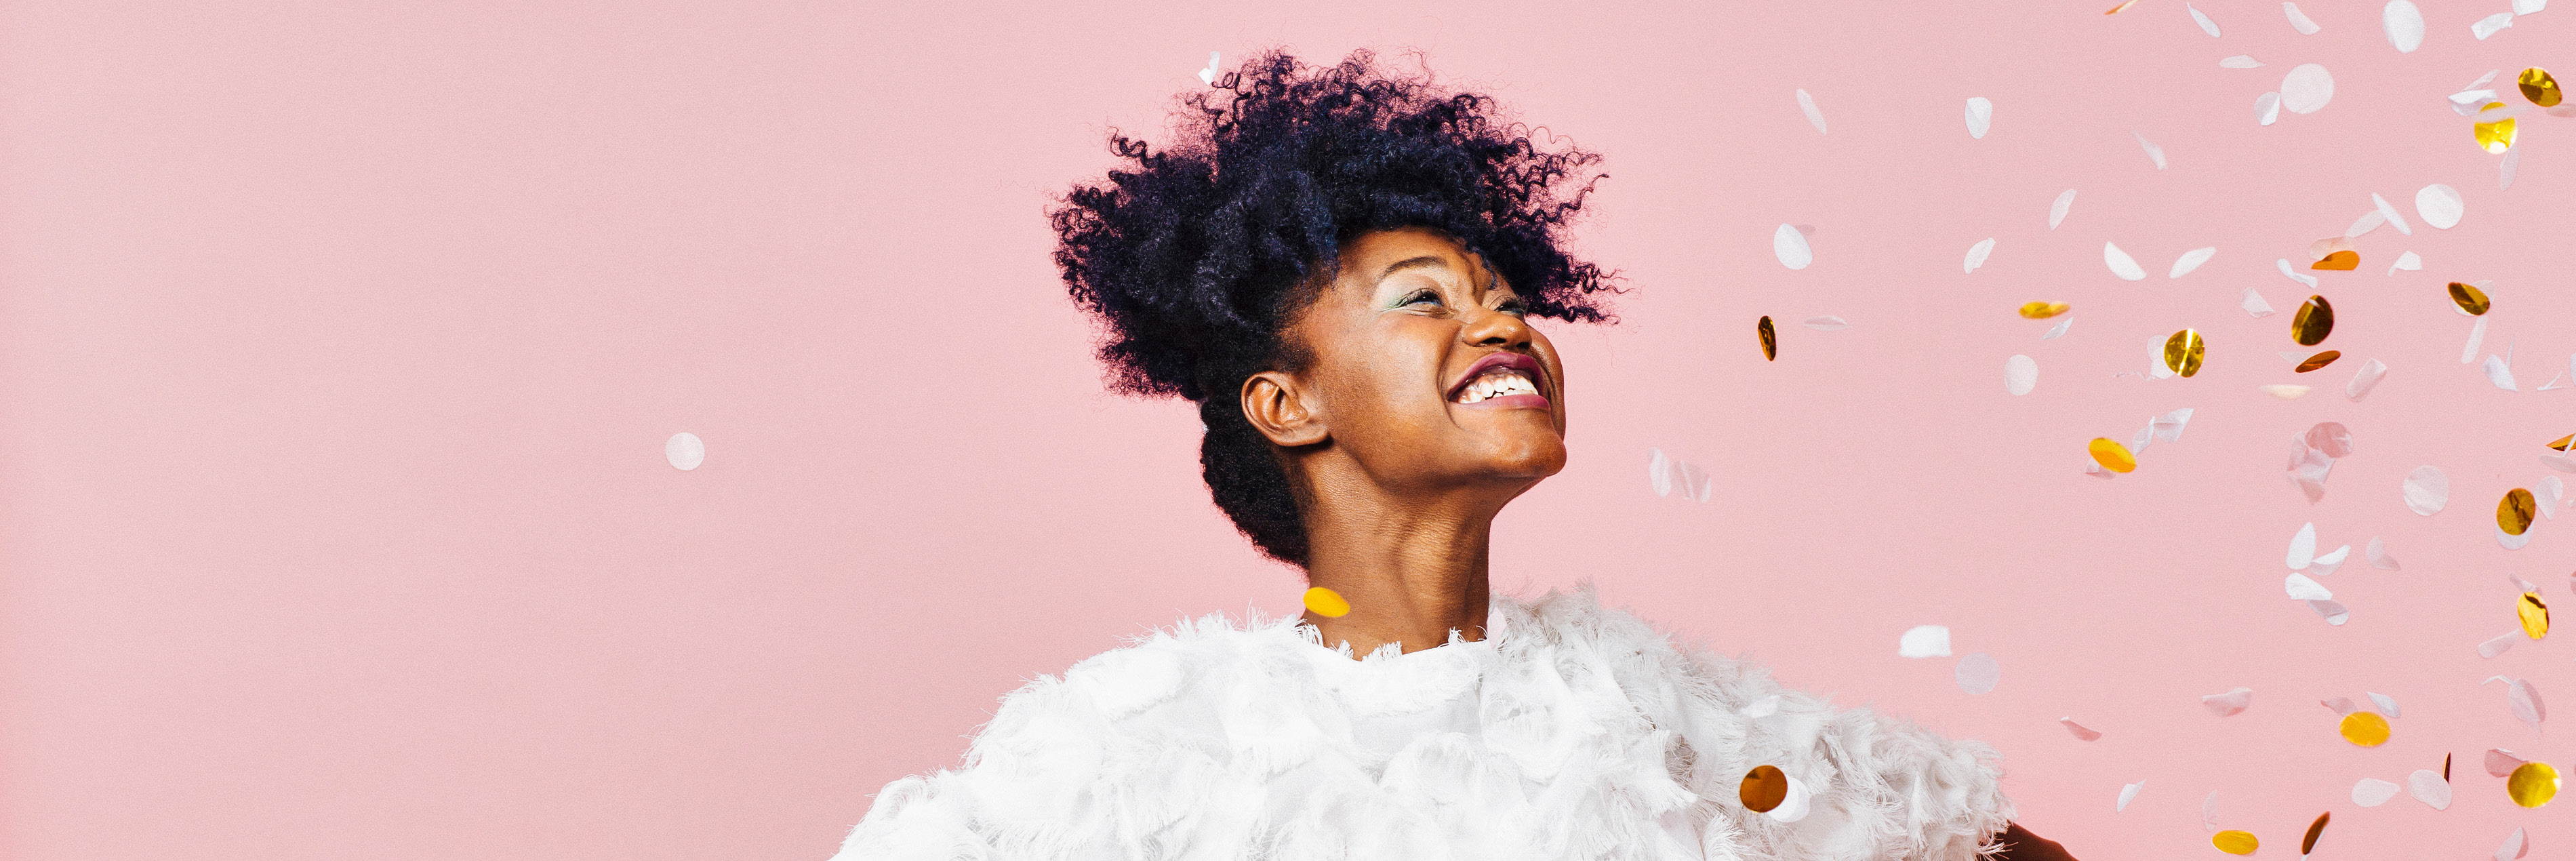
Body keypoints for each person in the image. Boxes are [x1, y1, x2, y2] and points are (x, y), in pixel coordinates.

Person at [830, 48, 2078, 861]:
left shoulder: (1663, 713)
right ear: (1285, 404)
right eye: (1424, 299)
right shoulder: (1143, 748)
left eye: (1502, 295)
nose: (1502, 321)